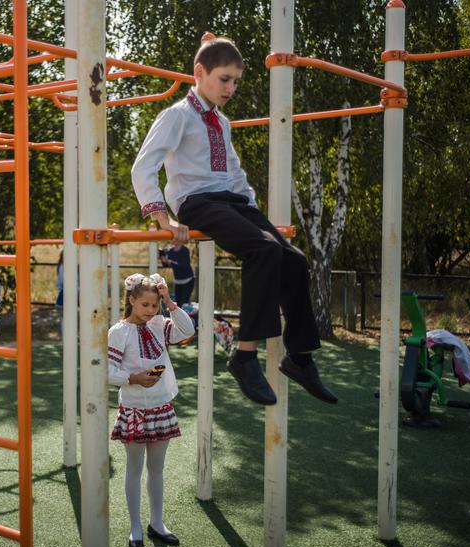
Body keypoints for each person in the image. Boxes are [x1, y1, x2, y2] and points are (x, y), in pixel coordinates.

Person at [130, 36, 336, 406]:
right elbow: (144, 166)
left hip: (233, 202)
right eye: (225, 79)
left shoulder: (222, 122)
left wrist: (255, 212)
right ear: (200, 73)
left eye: (236, 81)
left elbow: (236, 174)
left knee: (294, 259)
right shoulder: (178, 115)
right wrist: (161, 216)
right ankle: (244, 356)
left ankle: (300, 358)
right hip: (197, 202)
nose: (231, 88)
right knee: (263, 251)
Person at [108, 273, 195, 547]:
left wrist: (169, 300)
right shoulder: (118, 331)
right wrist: (134, 378)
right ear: (131, 300)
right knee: (134, 469)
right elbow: (108, 372)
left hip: (162, 406)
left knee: (156, 469)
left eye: (154, 305)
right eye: (145, 305)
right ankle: (135, 527)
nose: (150, 311)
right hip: (134, 409)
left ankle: (157, 523)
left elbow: (188, 330)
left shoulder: (159, 323)